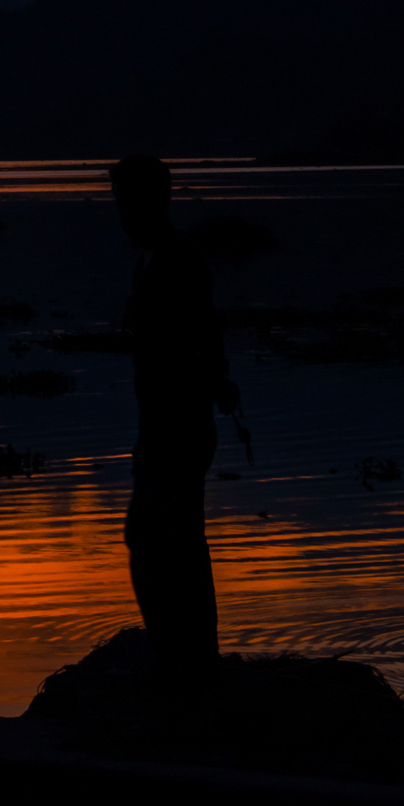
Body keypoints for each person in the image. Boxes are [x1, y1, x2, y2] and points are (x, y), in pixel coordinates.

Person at [110, 156, 240, 672]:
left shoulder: (177, 260)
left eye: (125, 199)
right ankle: (182, 648)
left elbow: (197, 338)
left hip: (177, 423)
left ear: (150, 200)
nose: (120, 211)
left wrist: (210, 382)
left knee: (164, 536)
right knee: (165, 536)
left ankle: (185, 652)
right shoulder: (154, 257)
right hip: (162, 421)